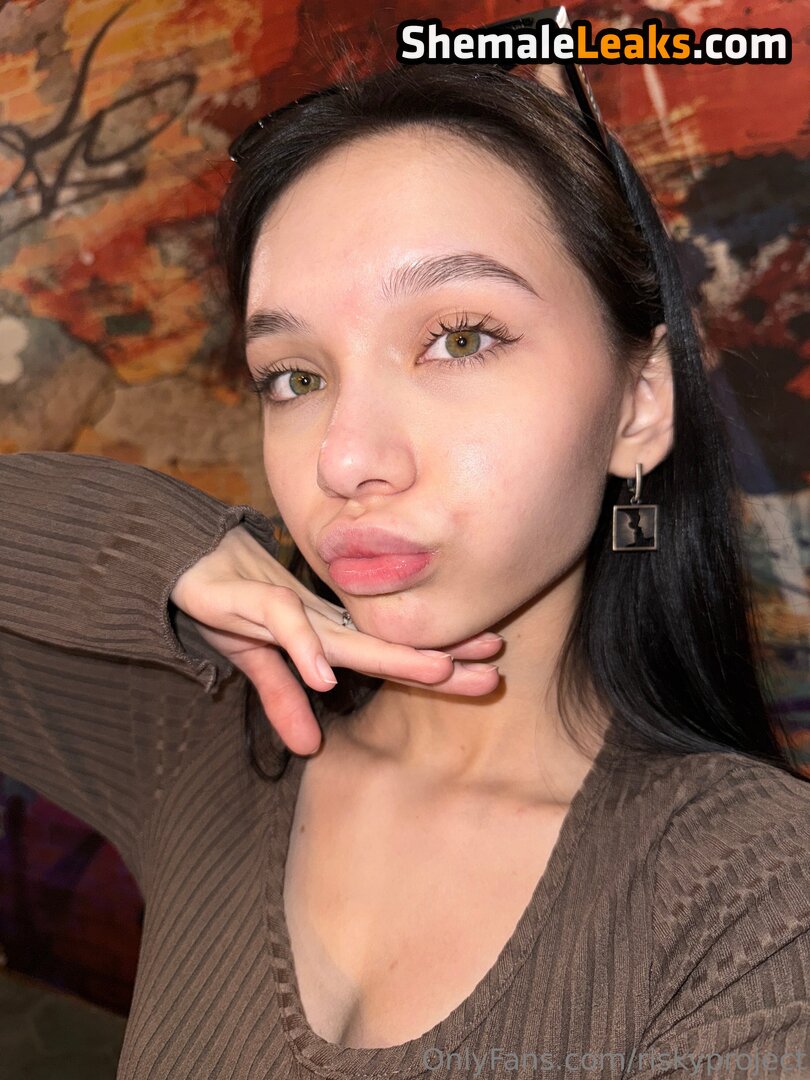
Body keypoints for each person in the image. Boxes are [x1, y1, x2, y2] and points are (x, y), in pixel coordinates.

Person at [1, 61, 808, 1079]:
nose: (344, 459)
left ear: (639, 404)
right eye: (294, 376)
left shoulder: (757, 902)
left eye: (459, 339)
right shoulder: (205, 735)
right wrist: (160, 550)